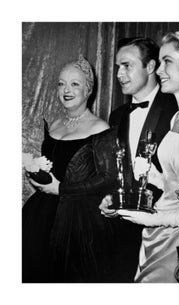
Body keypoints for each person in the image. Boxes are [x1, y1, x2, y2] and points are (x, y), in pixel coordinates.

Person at [115, 29, 179, 283]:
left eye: (167, 62)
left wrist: (155, 218)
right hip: (157, 238)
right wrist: (152, 177)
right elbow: (177, 182)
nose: (158, 70)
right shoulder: (177, 117)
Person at [22, 56, 118, 283]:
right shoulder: (54, 124)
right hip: (40, 214)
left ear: (88, 90)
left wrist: (61, 189)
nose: (66, 89)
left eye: (75, 84)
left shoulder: (100, 127)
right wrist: (34, 172)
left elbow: (107, 179)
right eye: (61, 83)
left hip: (76, 220)